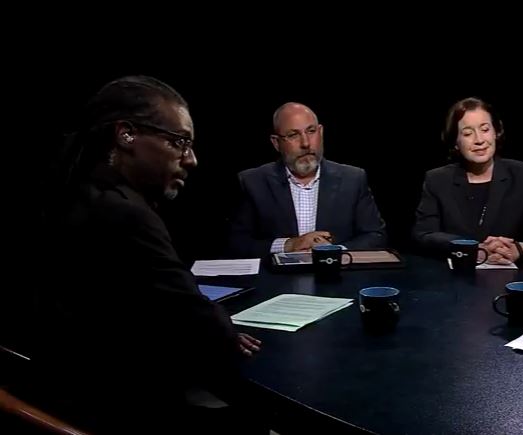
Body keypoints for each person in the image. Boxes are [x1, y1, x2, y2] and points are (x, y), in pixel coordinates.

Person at [33, 76, 265, 434]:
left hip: (60, 389)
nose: (192, 160)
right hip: (115, 409)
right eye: (180, 142)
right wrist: (224, 330)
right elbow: (195, 317)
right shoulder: (125, 213)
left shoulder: (70, 191)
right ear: (126, 135)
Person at [412, 97, 523, 263]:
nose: (479, 140)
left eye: (485, 129)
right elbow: (423, 234)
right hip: (454, 278)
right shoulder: (437, 179)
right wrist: (471, 248)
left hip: (512, 278)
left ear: (496, 132)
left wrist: (518, 249)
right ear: (456, 142)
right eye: (467, 134)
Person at [228, 102, 387, 257]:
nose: (305, 143)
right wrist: (288, 245)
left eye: (311, 131)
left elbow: (375, 236)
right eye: (293, 135)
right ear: (276, 143)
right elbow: (236, 243)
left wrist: (333, 251)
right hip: (278, 281)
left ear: (321, 132)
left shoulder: (353, 179)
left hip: (337, 277)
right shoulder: (253, 182)